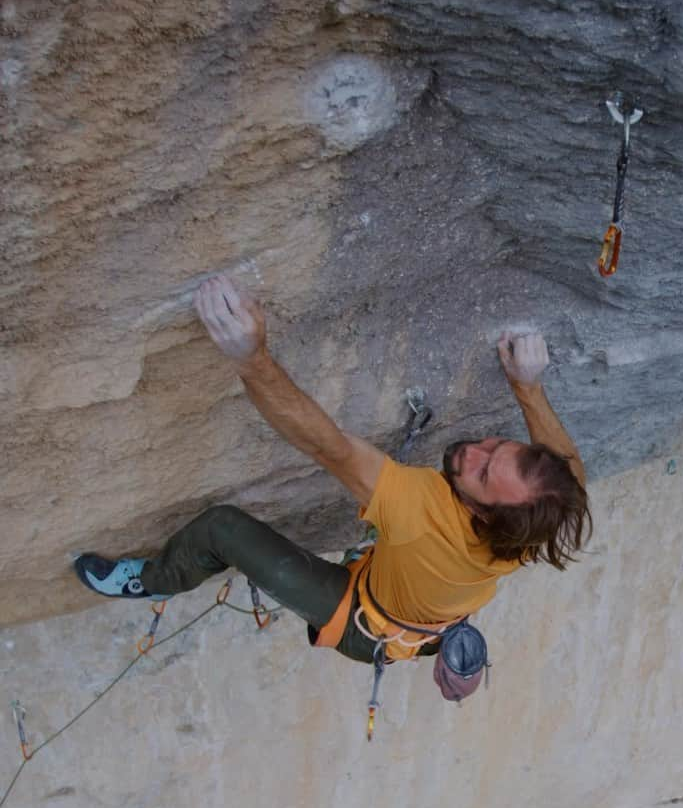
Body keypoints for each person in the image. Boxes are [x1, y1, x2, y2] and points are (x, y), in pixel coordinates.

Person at [75, 274, 591, 688]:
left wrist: (251, 358)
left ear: (481, 512)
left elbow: (327, 444)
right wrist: (528, 389)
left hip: (360, 621)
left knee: (221, 529)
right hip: (420, 615)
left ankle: (153, 581)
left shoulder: (422, 512)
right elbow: (572, 480)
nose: (474, 449)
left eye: (480, 471)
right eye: (499, 445)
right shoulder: (530, 527)